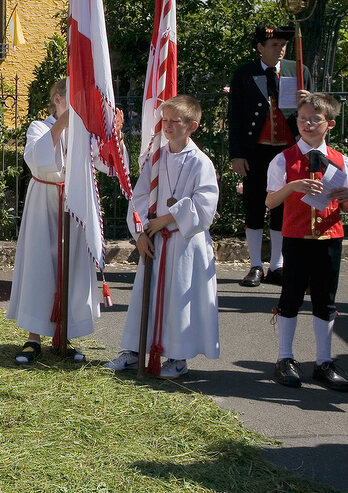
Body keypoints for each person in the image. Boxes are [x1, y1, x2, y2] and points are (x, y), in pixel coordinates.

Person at [6, 79, 121, 364]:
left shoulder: (84, 133)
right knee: (40, 266)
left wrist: (112, 137)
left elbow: (108, 165)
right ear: (58, 99)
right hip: (43, 204)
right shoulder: (39, 127)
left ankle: (64, 333)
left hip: (75, 206)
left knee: (70, 267)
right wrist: (61, 126)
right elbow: (37, 161)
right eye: (73, 100)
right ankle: (34, 338)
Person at [105, 95, 220, 378]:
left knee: (179, 297)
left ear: (191, 126)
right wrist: (142, 232)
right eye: (164, 120)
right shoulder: (157, 157)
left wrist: (167, 219)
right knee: (147, 294)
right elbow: (141, 196)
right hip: (154, 239)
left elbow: (205, 203)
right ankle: (134, 351)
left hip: (183, 243)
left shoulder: (200, 162)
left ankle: (176, 357)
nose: (166, 126)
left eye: (174, 121)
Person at [265, 92, 348, 391]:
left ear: (330, 124)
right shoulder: (283, 159)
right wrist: (293, 186)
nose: (308, 124)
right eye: (302, 119)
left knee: (325, 301)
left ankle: (324, 362)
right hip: (296, 238)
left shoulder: (341, 160)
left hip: (330, 238)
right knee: (291, 297)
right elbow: (271, 201)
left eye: (315, 119)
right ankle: (285, 358)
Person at [229, 26, 310, 288]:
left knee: (282, 207)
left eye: (283, 44)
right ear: (260, 47)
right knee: (254, 206)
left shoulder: (298, 71)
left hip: (287, 150)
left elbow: (313, 114)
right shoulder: (244, 73)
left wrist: (307, 102)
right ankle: (255, 265)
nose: (280, 49)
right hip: (257, 150)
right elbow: (236, 118)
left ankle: (277, 265)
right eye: (274, 44)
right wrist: (238, 154)